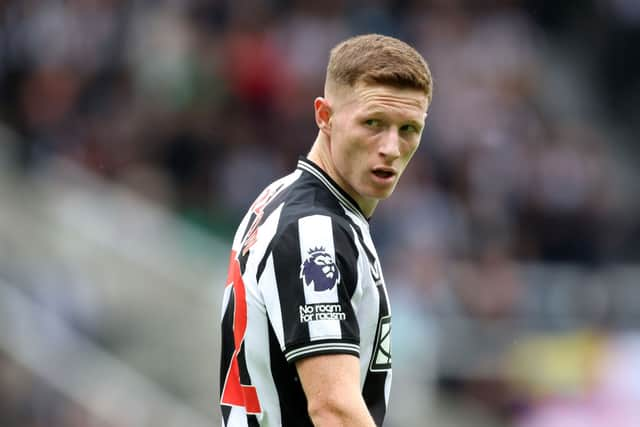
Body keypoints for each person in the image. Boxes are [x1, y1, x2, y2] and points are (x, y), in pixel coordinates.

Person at [219, 33, 433, 426]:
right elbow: (333, 410)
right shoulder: (313, 231)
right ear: (325, 116)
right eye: (373, 122)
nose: (391, 147)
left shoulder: (284, 196)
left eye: (408, 129)